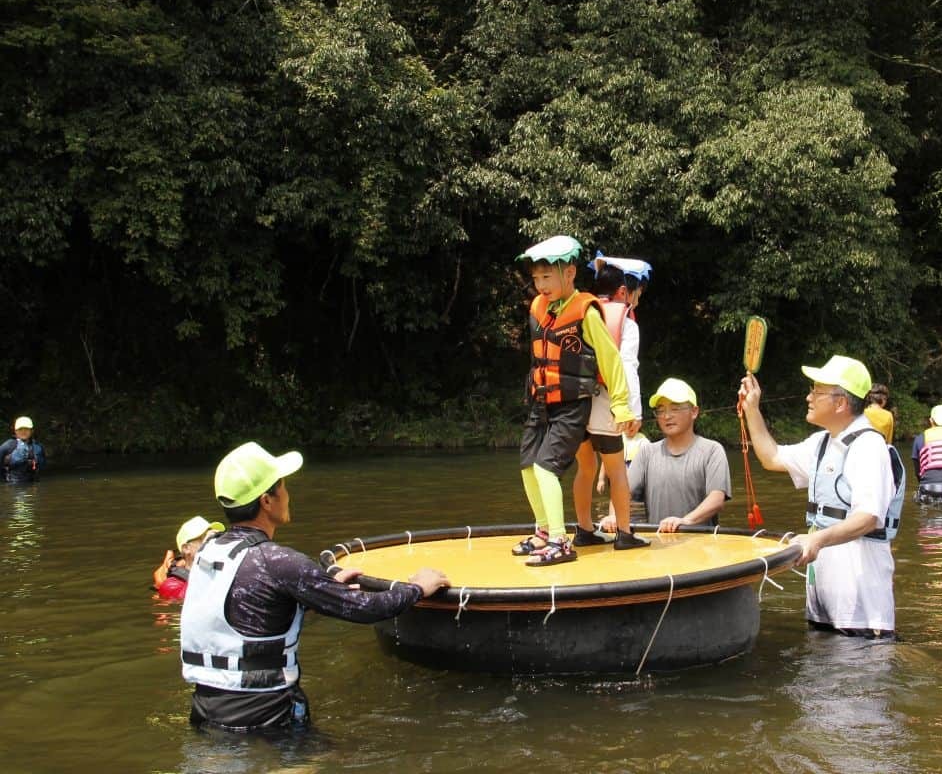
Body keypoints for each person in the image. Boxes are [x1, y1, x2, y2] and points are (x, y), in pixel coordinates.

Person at [180, 441, 450, 732]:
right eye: (282, 485)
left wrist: (318, 592)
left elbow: (247, 612)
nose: (287, 493)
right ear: (266, 501)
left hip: (206, 711)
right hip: (266, 716)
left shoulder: (207, 554)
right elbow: (367, 609)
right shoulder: (279, 562)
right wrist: (419, 588)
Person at [738, 355, 904, 638]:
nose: (808, 397)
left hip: (861, 611)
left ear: (840, 403)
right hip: (825, 605)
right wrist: (752, 408)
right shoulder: (822, 442)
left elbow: (868, 517)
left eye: (817, 390)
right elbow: (771, 457)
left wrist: (816, 539)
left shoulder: (868, 447)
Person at [514, 235, 646, 566]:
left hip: (575, 405)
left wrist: (622, 404)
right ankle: (545, 532)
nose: (541, 285)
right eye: (536, 278)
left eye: (548, 277)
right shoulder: (539, 308)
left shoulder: (586, 311)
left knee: (552, 468)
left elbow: (614, 361)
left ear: (570, 273)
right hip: (543, 402)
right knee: (529, 467)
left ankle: (563, 540)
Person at [571, 254, 652, 548]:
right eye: (637, 293)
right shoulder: (627, 324)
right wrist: (633, 410)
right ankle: (625, 534)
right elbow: (627, 366)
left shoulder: (582, 313)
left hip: (575, 404)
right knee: (617, 470)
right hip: (607, 403)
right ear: (623, 292)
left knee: (585, 468)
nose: (638, 299)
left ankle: (583, 529)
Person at [599, 378, 731, 533]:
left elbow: (717, 498)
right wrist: (614, 517)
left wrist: (685, 521)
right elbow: (622, 490)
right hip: (659, 548)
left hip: (700, 546)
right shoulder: (646, 453)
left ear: (694, 412)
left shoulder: (712, 451)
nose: (667, 416)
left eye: (675, 409)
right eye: (661, 410)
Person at [154, 516, 226, 600]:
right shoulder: (171, 585)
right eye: (204, 538)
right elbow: (190, 600)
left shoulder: (224, 569)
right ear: (186, 548)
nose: (213, 542)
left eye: (215, 537)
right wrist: (204, 556)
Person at [0, 416, 46, 484]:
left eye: (26, 429)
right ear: (15, 431)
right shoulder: (7, 446)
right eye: (20, 429)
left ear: (32, 431)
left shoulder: (39, 446)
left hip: (33, 484)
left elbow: (42, 466)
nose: (23, 431)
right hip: (12, 485)